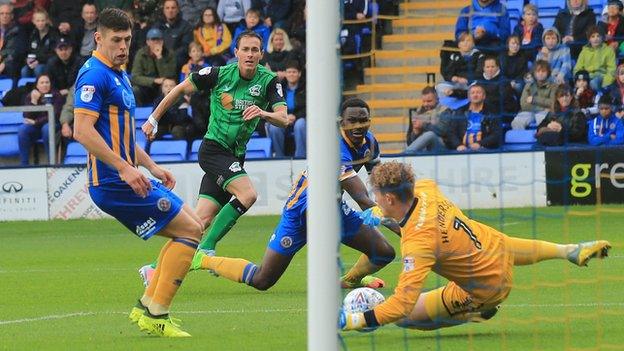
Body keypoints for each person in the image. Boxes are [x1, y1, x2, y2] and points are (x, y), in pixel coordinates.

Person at [341, 161, 611, 332]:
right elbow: (411, 198)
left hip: (488, 288)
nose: (373, 197)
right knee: (499, 246)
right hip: (493, 246)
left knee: (407, 319)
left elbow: (401, 304)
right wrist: (382, 211)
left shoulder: (418, 243)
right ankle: (570, 250)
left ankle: (476, 312)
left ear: (389, 197)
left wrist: (356, 321)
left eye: (376, 194)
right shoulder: (425, 190)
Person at [72, 8, 203, 337]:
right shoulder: (94, 75)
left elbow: (124, 138)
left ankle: (147, 305)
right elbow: (82, 131)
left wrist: (150, 165)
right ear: (98, 38)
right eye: (115, 40)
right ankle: (156, 312)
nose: (123, 47)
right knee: (190, 230)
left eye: (127, 40)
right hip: (114, 182)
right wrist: (125, 168)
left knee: (192, 226)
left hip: (128, 175)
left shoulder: (119, 74)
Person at [182, 98, 398, 291]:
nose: (358, 125)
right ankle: (203, 260)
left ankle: (349, 280)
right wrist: (406, 229)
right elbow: (362, 198)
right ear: (342, 122)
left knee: (384, 252)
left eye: (364, 120)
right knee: (262, 280)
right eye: (352, 120)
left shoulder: (370, 142)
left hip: (332, 209)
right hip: (301, 211)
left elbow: (380, 184)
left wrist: (404, 214)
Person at [141, 30, 287, 260]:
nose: (249, 54)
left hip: (235, 156)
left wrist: (263, 112)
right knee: (248, 195)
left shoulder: (269, 81)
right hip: (213, 150)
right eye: (245, 49)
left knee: (198, 223)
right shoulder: (218, 74)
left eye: (254, 50)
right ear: (236, 52)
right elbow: (179, 89)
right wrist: (153, 119)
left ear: (261, 54)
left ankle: (155, 268)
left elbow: (284, 119)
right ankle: (207, 248)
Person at [17, 74, 63, 165]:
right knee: (22, 129)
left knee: (46, 128)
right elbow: (26, 115)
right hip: (37, 127)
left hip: (53, 126)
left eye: (47, 82)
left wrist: (36, 122)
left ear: (50, 84)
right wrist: (34, 101)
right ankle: (24, 164)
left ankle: (51, 163)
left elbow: (55, 115)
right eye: (42, 83)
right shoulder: (31, 95)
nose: (45, 85)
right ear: (37, 85)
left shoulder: (56, 95)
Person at [444, 83, 502, 151]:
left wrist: (480, 144)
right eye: (472, 93)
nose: (475, 95)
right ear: (468, 97)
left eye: (478, 93)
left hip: (483, 148)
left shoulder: (492, 112)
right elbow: (451, 132)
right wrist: (458, 145)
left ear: (484, 96)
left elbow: (496, 134)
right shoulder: (460, 111)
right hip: (462, 149)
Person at [266, 60, 306, 157]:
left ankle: (300, 157)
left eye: (294, 72)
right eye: (289, 72)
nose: (291, 74)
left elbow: (308, 108)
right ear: (285, 74)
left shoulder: (305, 88)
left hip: (300, 119)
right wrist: (284, 116)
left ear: (299, 74)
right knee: (274, 127)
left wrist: (295, 116)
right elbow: (272, 106)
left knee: (300, 125)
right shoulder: (279, 88)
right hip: (283, 117)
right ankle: (279, 157)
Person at [131, 28, 177, 106]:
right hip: (146, 87)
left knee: (168, 87)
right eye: (153, 40)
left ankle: (167, 111)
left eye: (158, 40)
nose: (156, 42)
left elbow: (170, 75)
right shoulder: (141, 54)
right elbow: (135, 77)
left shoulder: (169, 54)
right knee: (135, 90)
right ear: (148, 42)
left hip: (162, 87)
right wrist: (154, 80)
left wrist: (159, 57)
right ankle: (139, 115)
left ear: (162, 41)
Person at [511, 60, 557, 130]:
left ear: (548, 73)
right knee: (516, 122)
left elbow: (552, 103)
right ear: (534, 73)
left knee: (544, 121)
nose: (540, 74)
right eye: (538, 71)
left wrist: (534, 99)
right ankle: (522, 140)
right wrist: (541, 108)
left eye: (543, 71)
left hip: (545, 113)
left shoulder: (553, 86)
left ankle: (541, 139)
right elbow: (523, 104)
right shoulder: (528, 86)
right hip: (529, 111)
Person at [404, 86, 447, 153]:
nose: (425, 104)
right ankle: (406, 155)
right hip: (423, 149)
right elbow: (409, 142)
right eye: (424, 101)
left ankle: (404, 156)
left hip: (441, 146)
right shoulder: (417, 113)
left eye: (429, 101)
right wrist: (415, 133)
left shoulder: (445, 110)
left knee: (430, 134)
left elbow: (443, 131)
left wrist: (423, 125)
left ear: (437, 99)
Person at [574, 25, 617, 91]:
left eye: (598, 36)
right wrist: (580, 81)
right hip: (587, 78)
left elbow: (612, 71)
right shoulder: (584, 51)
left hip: (601, 78)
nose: (596, 39)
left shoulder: (609, 51)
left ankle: (599, 96)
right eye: (593, 36)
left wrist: (604, 83)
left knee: (593, 83)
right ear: (589, 39)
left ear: (602, 38)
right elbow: (577, 68)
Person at [154, 0, 194, 69]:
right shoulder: (157, 26)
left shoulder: (185, 26)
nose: (170, 11)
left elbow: (185, 48)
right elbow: (152, 44)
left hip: (178, 63)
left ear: (178, 10)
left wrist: (169, 57)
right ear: (163, 10)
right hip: (159, 59)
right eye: (167, 8)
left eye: (173, 8)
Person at [21, 9, 58, 78]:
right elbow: (28, 51)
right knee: (24, 70)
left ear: (47, 20)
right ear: (33, 21)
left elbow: (54, 54)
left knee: (38, 69)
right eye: (38, 21)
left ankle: (40, 88)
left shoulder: (54, 33)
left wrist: (38, 61)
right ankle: (26, 88)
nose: (40, 23)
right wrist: (27, 60)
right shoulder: (32, 34)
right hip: (34, 63)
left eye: (42, 20)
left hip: (46, 63)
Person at [0, 4, 26, 79]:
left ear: (12, 16)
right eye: (1, 13)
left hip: (11, 63)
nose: (4, 16)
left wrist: (4, 63)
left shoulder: (19, 30)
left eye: (7, 13)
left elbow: (17, 52)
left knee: (11, 65)